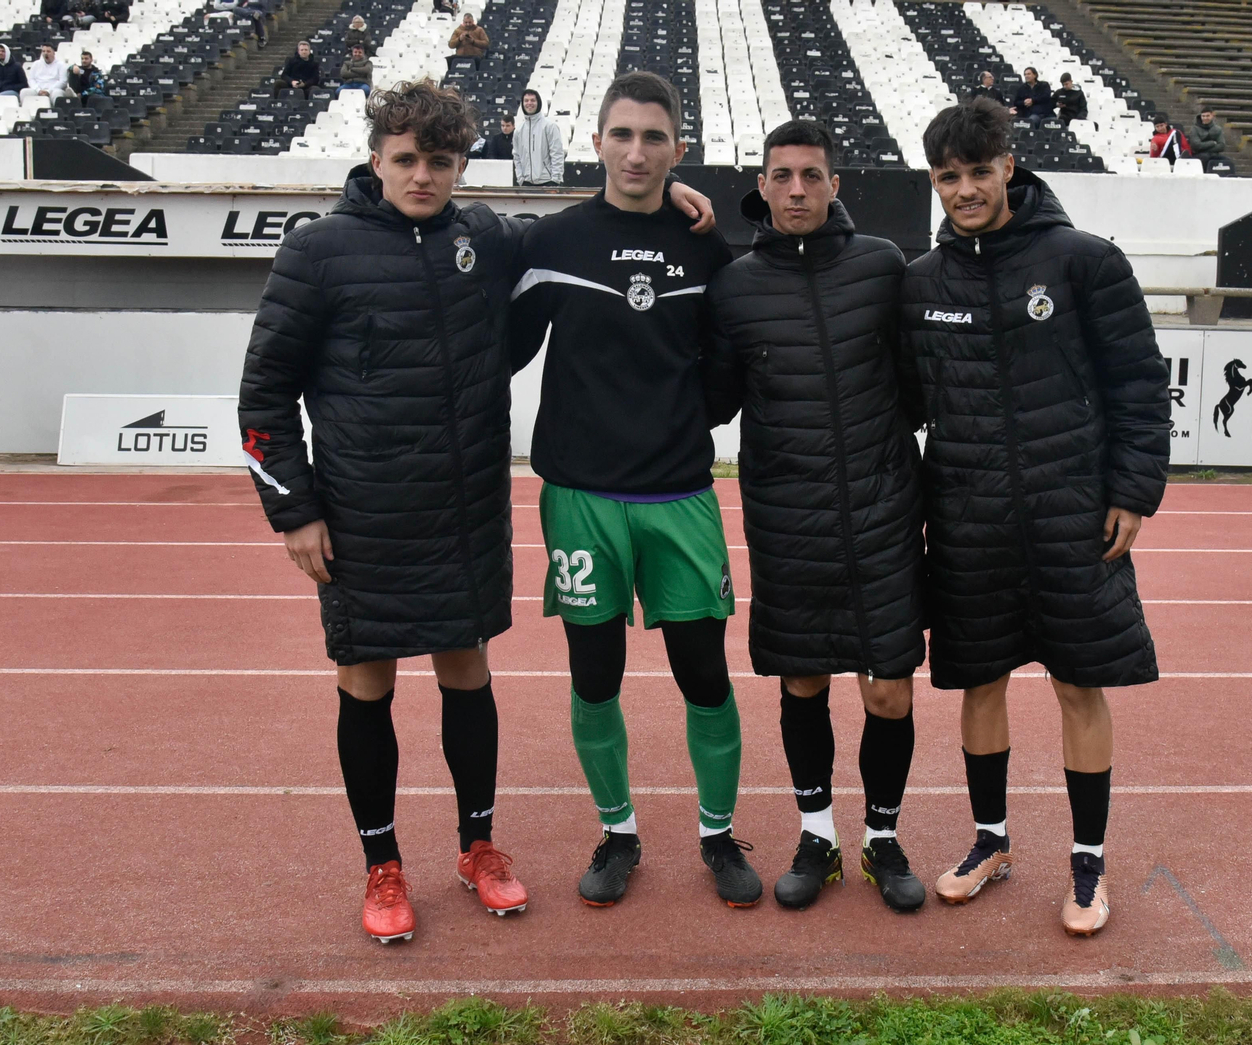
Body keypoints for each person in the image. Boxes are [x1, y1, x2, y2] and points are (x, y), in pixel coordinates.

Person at [238, 80, 530, 945]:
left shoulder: (483, 235)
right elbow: (262, 396)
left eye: (441, 161)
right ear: (376, 160)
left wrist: (668, 200)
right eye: (407, 159)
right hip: (364, 517)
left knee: (466, 674)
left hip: (465, 509)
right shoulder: (319, 250)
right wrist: (294, 512)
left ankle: (478, 846)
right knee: (368, 683)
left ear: (460, 166)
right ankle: (382, 862)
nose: (424, 176)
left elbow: (582, 235)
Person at [899, 98, 1170, 936]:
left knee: (1077, 684)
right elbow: (905, 403)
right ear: (935, 181)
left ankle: (1088, 865)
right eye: (950, 177)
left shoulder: (1084, 261)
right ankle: (991, 843)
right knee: (978, 685)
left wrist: (1132, 490)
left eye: (981, 173)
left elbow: (1138, 381)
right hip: (971, 523)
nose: (967, 190)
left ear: (1009, 166)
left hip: (1072, 517)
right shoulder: (921, 284)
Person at [508, 70, 756, 909]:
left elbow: (727, 369)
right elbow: (500, 348)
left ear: (678, 150)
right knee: (594, 675)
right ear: (597, 142)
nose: (637, 150)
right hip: (579, 497)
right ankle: (618, 833)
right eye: (623, 134)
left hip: (679, 496)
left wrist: (680, 422)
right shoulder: (554, 242)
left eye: (654, 137)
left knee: (704, 677)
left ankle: (718, 837)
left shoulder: (706, 247)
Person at [703, 119, 926, 913]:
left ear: (836, 185)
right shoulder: (733, 285)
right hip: (787, 518)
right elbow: (713, 399)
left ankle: (884, 839)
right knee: (803, 685)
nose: (796, 189)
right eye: (782, 176)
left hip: (883, 518)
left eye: (811, 175)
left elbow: (919, 385)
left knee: (889, 696)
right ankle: (819, 835)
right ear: (760, 188)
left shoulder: (883, 268)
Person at [512, 88, 563, 185]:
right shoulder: (518, 131)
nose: (529, 103)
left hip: (548, 182)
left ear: (538, 103)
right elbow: (517, 157)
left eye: (532, 100)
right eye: (526, 100)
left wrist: (555, 180)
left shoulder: (550, 127)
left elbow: (557, 154)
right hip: (526, 183)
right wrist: (521, 179)